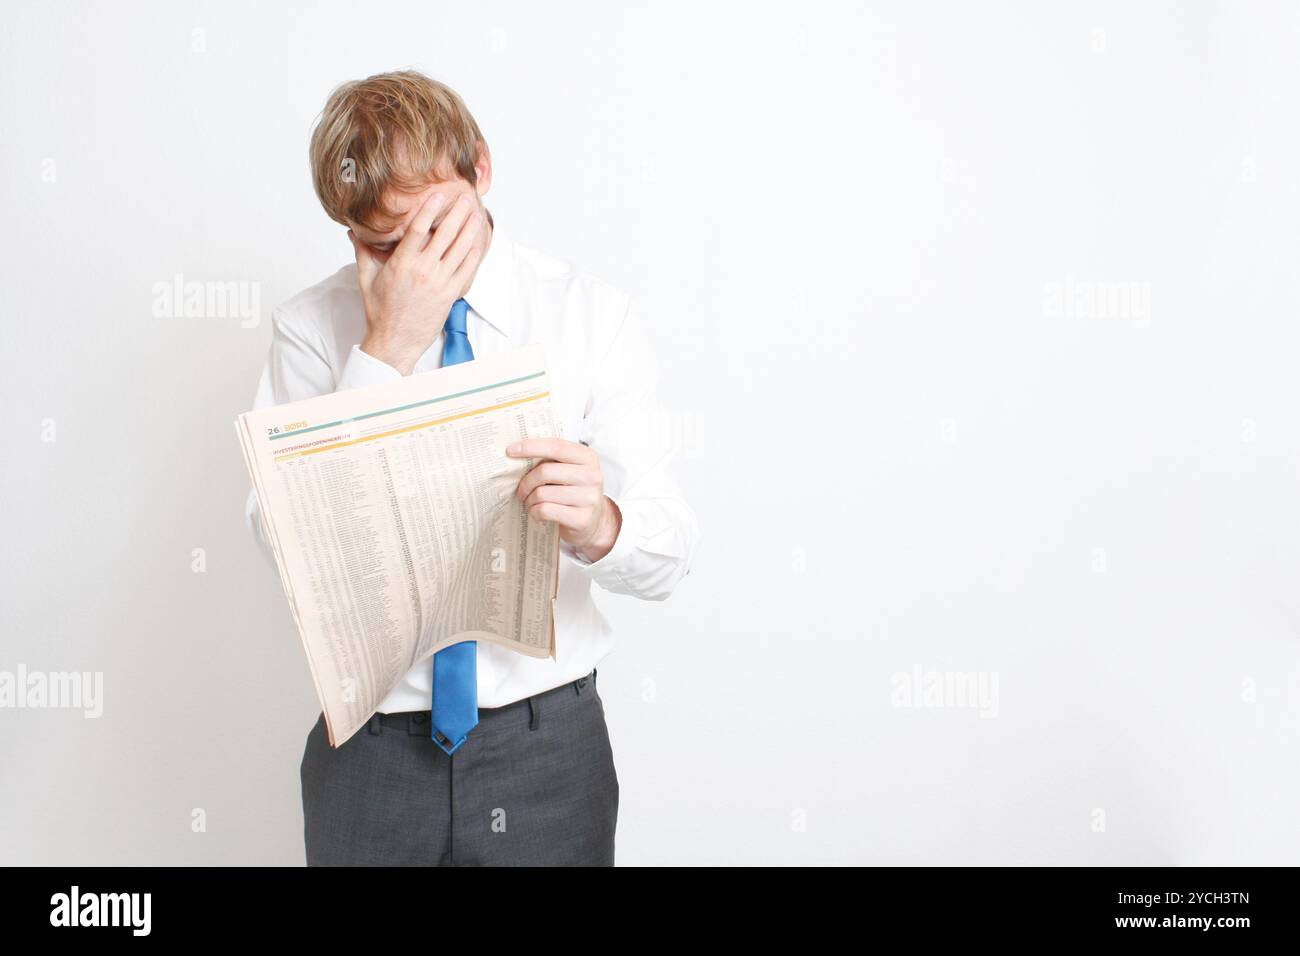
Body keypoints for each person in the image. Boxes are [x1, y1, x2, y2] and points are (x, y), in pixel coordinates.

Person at [242, 70, 700, 866]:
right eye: (380, 246)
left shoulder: (588, 314)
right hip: (371, 756)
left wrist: (600, 524)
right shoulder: (314, 330)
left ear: (480, 168)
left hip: (546, 749)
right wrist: (385, 349)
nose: (412, 262)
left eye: (430, 228)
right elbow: (287, 552)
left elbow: (670, 557)